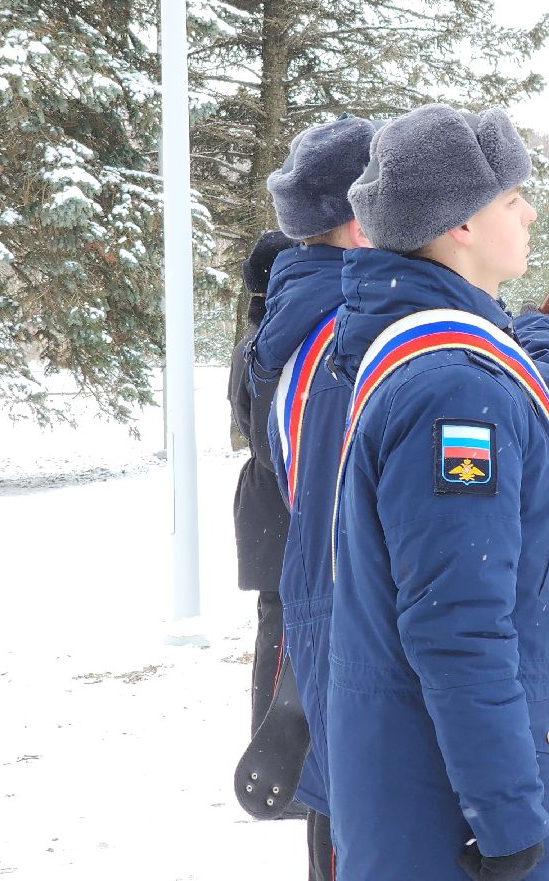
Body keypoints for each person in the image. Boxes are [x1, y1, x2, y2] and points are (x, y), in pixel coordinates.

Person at [326, 103, 549, 879]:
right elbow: (457, 625)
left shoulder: (454, 361)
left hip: (442, 774)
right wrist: (509, 816)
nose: (528, 211)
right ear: (459, 224)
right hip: (454, 806)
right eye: (511, 198)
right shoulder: (455, 392)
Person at [248, 116, 379, 878]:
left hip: (324, 628)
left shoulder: (305, 305)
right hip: (344, 629)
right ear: (360, 218)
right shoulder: (341, 330)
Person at [229, 229, 299, 739]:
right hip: (276, 503)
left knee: (279, 628)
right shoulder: (268, 347)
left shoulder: (259, 340)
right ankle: (274, 758)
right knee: (279, 631)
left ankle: (277, 756)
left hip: (269, 502)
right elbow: (269, 438)